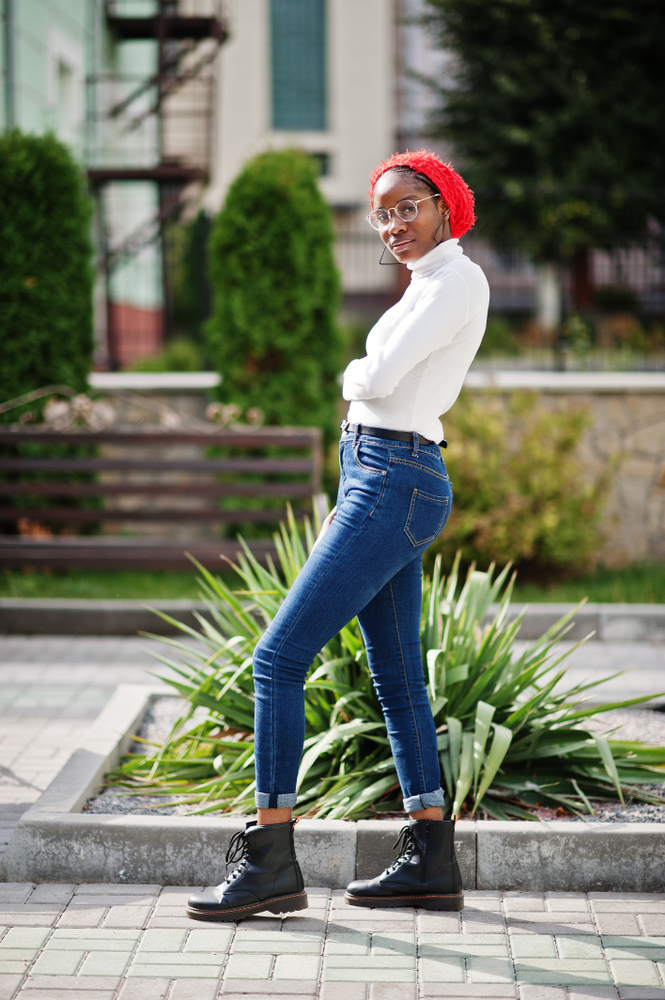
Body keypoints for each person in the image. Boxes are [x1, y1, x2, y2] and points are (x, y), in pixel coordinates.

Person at [187, 149, 490, 922]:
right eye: (381, 212)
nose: (392, 224)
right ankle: (430, 856)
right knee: (395, 681)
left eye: (406, 206)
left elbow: (378, 378)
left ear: (443, 203)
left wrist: (351, 375)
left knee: (277, 658)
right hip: (385, 479)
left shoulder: (454, 281)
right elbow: (383, 389)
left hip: (395, 480)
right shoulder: (429, 285)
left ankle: (270, 860)